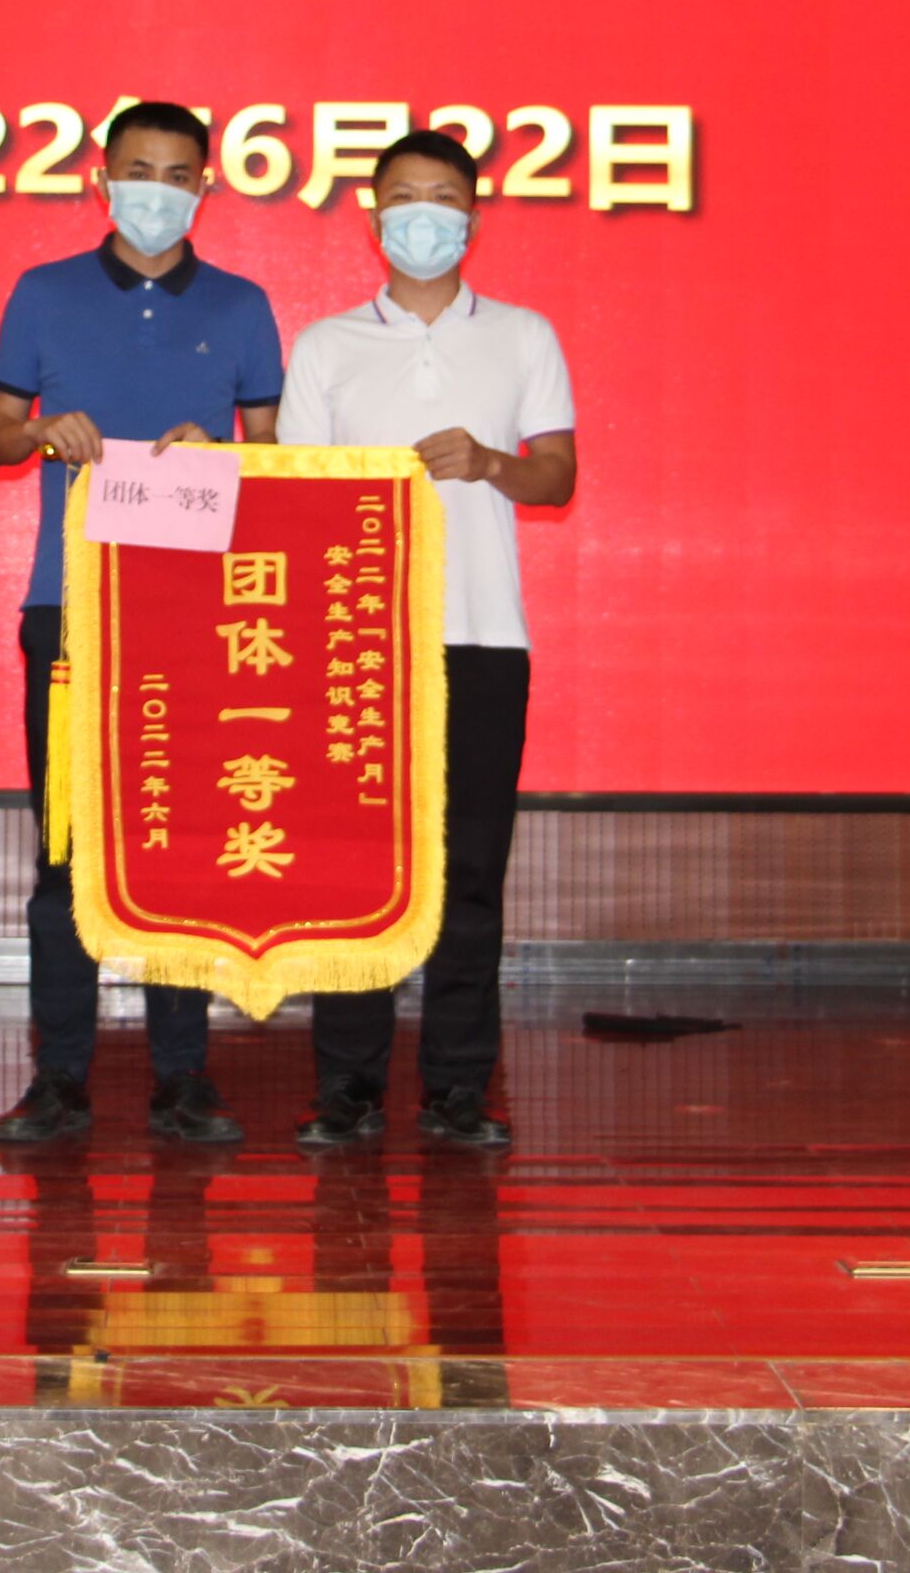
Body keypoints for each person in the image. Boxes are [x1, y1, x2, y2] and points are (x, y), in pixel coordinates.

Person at [0, 101, 285, 1147]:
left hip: (196, 608)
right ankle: (58, 1076)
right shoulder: (43, 291)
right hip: (70, 609)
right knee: (66, 849)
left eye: (178, 173)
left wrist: (224, 457)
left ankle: (183, 1076)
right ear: (101, 179)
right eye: (138, 170)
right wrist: (39, 430)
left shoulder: (243, 305)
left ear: (206, 186)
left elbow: (274, 457)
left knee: (184, 846)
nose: (157, 190)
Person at [278, 128, 577, 1153]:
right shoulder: (326, 346)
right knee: (348, 870)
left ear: (473, 218)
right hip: (356, 640)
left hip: (482, 638)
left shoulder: (524, 335)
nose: (423, 216)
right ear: (373, 217)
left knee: (471, 874)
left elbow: (558, 475)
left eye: (443, 198)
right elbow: (294, 499)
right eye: (402, 197)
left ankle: (457, 1086)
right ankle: (347, 1086)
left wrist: (492, 462)